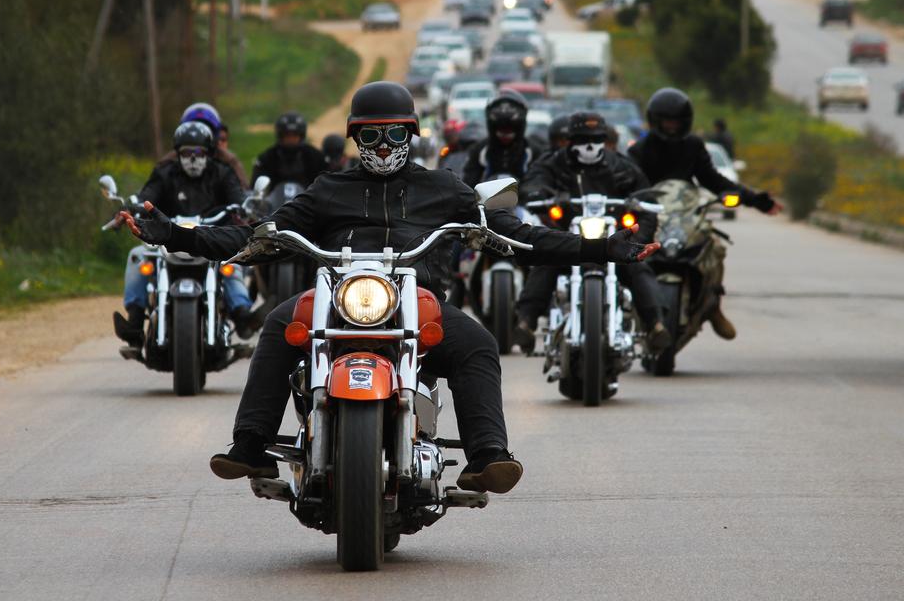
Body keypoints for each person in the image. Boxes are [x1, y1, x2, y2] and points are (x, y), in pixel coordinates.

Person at [122, 82, 660, 495]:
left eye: (396, 133)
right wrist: (170, 233)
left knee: (477, 344)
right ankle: (251, 445)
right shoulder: (327, 188)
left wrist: (604, 247)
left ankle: (486, 455)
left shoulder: (444, 188)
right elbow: (257, 232)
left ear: (412, 135)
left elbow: (522, 236)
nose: (384, 144)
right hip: (337, 298)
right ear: (356, 139)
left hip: (417, 299)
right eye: (372, 135)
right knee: (277, 324)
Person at [628, 88, 782, 340]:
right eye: (666, 121)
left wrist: (757, 200)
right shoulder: (640, 149)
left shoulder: (692, 146)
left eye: (676, 122)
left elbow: (713, 179)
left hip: (683, 215)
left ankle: (712, 306)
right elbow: (627, 179)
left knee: (715, 248)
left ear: (685, 122)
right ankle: (621, 305)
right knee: (628, 253)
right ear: (655, 120)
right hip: (650, 217)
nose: (671, 127)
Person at [513, 112, 671, 354]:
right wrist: (544, 196)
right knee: (546, 261)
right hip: (568, 241)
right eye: (582, 138)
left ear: (604, 138)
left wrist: (636, 238)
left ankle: (656, 324)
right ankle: (526, 322)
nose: (590, 144)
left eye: (597, 137)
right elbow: (531, 185)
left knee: (639, 266)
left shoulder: (621, 166)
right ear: (569, 139)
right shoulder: (553, 163)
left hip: (614, 244)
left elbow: (646, 201)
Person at [113, 122, 260, 346]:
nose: (193, 158)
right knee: (137, 256)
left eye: (199, 152)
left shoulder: (222, 173)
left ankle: (241, 315)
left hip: (212, 236)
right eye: (186, 152)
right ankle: (134, 321)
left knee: (233, 262)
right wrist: (135, 207)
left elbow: (238, 199)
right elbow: (147, 196)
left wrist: (243, 207)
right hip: (169, 236)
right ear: (178, 153)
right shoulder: (165, 174)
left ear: (209, 152)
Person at [462, 89, 540, 187]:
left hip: (523, 200)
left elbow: (541, 181)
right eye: (500, 129)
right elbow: (468, 183)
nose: (505, 134)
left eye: (511, 129)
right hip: (485, 201)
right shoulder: (479, 150)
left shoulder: (533, 151)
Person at [160, 103, 248, 186]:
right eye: (186, 153)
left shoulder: (229, 161)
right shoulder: (167, 163)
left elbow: (242, 191)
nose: (197, 136)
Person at [251, 111, 328, 187]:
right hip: (275, 199)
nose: (291, 139)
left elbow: (324, 184)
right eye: (287, 135)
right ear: (280, 136)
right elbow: (255, 186)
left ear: (301, 136)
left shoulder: (315, 156)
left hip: (308, 198)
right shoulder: (267, 158)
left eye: (294, 135)